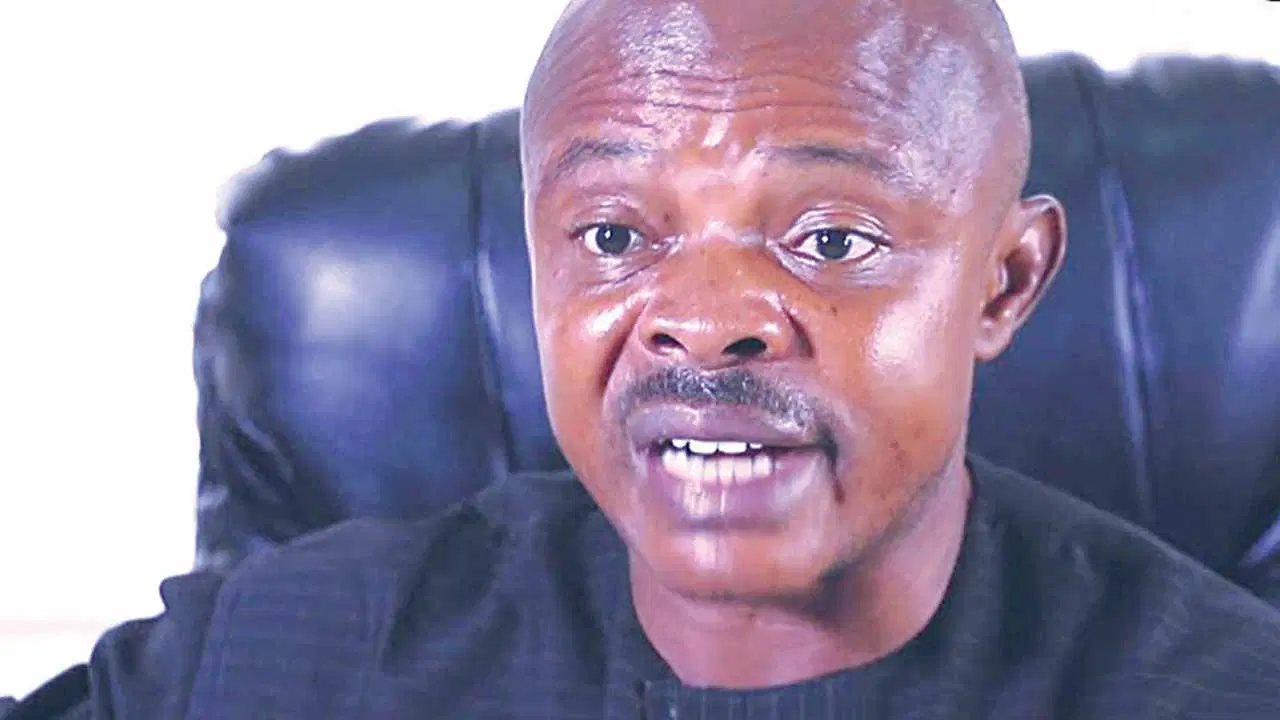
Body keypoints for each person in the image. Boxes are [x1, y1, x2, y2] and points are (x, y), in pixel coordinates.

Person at [10, 0, 1280, 717]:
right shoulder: (281, 653)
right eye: (614, 236)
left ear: (1002, 281)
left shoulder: (1217, 688)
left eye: (830, 239)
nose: (704, 320)